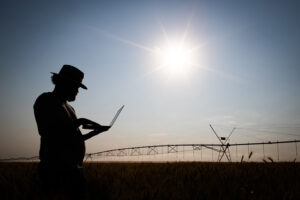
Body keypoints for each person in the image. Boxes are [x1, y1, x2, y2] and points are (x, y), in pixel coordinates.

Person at [33, 64, 109, 199]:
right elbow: (50, 133)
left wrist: (97, 131)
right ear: (64, 83)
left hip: (76, 170)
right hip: (55, 169)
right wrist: (80, 122)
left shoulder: (70, 108)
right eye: (76, 87)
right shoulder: (45, 100)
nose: (77, 92)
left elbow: (74, 138)